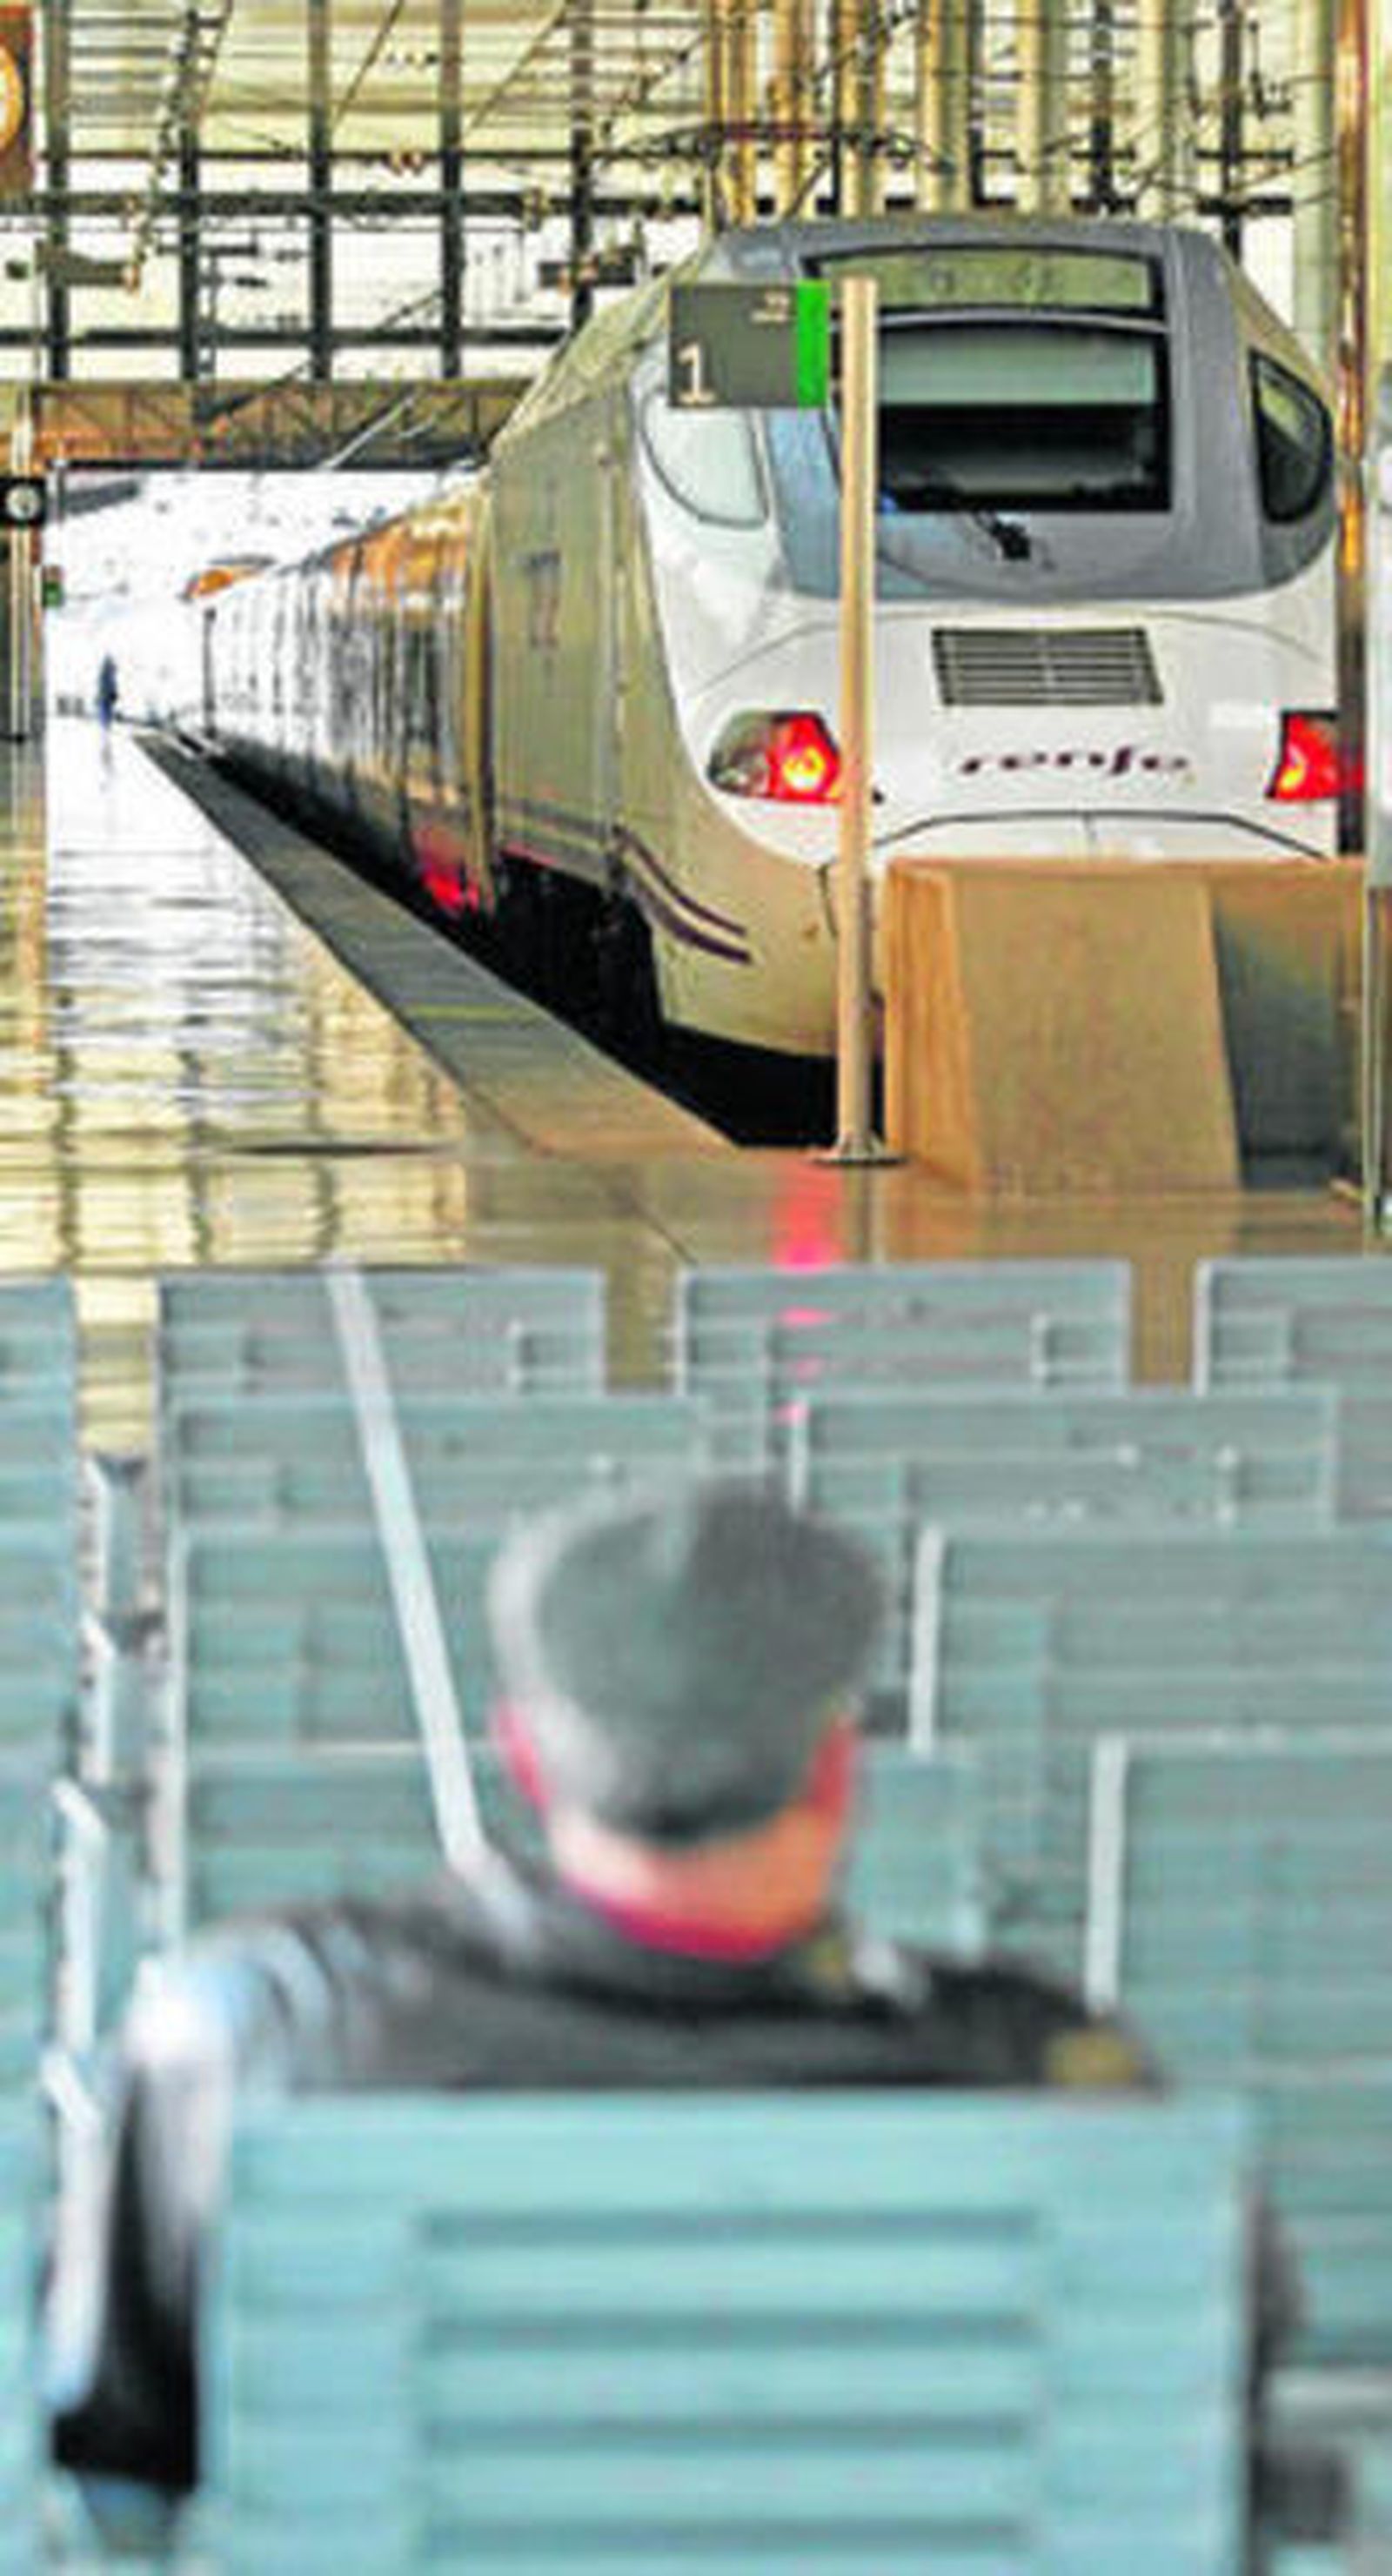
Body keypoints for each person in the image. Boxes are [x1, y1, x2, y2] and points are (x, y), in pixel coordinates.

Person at [48, 1477, 1238, 2530]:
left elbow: (117, 2454)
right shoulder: (1052, 2078)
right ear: (835, 1765)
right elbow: (1195, 2442)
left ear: (528, 1757)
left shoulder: (260, 2025)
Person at [95, 653, 119, 732]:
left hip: (107, 695)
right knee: (105, 710)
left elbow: (113, 685)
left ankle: (107, 725)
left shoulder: (111, 673)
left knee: (108, 710)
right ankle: (105, 725)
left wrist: (114, 693)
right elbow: (103, 685)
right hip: (105, 696)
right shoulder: (105, 673)